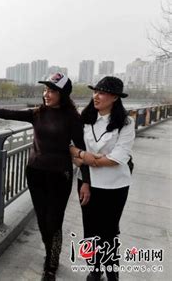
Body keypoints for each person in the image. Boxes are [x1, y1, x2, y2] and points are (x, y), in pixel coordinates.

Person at [0, 73, 90, 281]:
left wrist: (86, 180)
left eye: (52, 91)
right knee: (42, 221)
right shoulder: (37, 113)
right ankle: (50, 254)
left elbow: (81, 148)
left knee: (54, 221)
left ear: (63, 94)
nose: (46, 94)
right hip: (35, 173)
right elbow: (9, 114)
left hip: (60, 176)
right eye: (45, 90)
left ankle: (51, 264)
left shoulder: (72, 118)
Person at [69, 77, 134, 281]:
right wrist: (82, 157)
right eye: (95, 91)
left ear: (114, 97)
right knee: (90, 229)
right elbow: (71, 146)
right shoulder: (84, 118)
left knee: (109, 231)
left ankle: (112, 273)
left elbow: (118, 157)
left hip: (115, 185)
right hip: (87, 183)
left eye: (102, 92)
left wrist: (86, 158)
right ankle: (95, 270)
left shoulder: (125, 123)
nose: (96, 96)